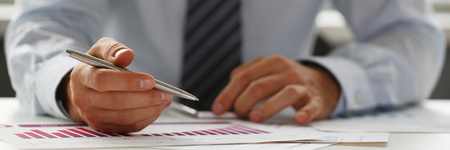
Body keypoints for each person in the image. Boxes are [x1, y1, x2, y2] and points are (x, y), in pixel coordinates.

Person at [5, 0, 445, 133]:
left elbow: (409, 32)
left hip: (281, 128)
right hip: (129, 136)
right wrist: (72, 85)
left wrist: (332, 78)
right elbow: (45, 22)